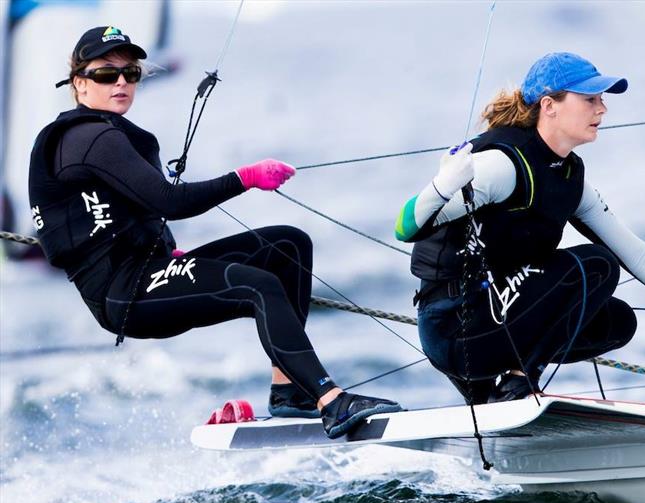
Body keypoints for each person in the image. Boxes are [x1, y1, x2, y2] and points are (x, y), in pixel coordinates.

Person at [29, 26, 401, 438]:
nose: (120, 82)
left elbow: (133, 211)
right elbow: (172, 202)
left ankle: (288, 390)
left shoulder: (107, 135)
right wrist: (245, 177)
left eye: (130, 73)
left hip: (148, 270)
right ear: (80, 83)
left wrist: (166, 249)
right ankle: (330, 399)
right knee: (256, 284)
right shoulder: (88, 137)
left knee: (287, 245)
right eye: (105, 74)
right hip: (125, 293)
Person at [395, 52, 645, 403]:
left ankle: (502, 389)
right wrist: (443, 186)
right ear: (549, 105)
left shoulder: (569, 175)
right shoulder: (501, 166)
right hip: (455, 328)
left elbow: (635, 253)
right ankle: (515, 383)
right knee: (596, 266)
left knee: (617, 322)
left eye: (601, 98)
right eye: (589, 98)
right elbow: (405, 227)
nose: (602, 108)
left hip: (498, 319)